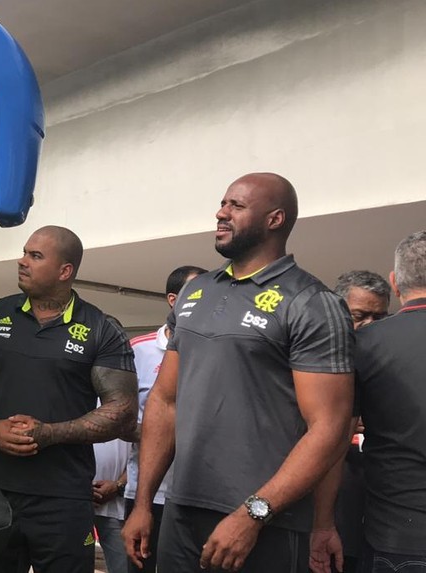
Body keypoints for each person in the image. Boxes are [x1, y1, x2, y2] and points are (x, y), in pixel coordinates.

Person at [122, 173, 354, 572]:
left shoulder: (313, 303)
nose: (221, 213)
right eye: (223, 203)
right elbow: (165, 400)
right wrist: (144, 503)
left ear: (275, 219)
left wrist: (253, 514)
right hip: (181, 511)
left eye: (236, 206)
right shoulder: (197, 292)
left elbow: (329, 429)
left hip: (266, 522)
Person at [0, 225, 139, 573]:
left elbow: (122, 411)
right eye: (24, 252)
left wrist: (50, 433)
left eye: (35, 256)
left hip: (62, 498)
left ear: (65, 271)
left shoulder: (100, 329)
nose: (22, 261)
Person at [313, 232, 426, 573]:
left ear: (394, 283)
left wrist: (321, 524)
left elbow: (331, 442)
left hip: (400, 536)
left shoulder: (363, 346)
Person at [121, 265, 206, 573]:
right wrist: (160, 432)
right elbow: (120, 417)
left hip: (200, 492)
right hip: (147, 492)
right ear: (173, 299)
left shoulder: (216, 348)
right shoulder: (137, 350)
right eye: (196, 293)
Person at [311, 271, 391, 573]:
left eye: (379, 317)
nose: (369, 326)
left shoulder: (390, 363)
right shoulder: (311, 359)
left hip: (375, 511)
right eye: (359, 316)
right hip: (322, 505)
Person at [93, 436, 130, 573]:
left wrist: (118, 486)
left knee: (124, 567)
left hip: (117, 505)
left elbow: (144, 450)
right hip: (73, 501)